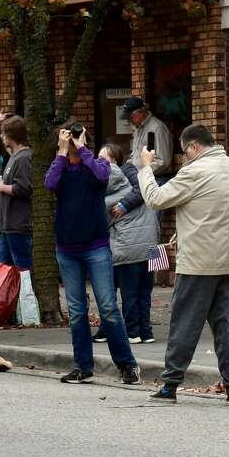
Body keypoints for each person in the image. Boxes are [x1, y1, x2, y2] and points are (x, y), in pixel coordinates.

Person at [140, 124, 229, 404]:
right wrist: (185, 228)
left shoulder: (195, 170)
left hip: (199, 263)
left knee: (185, 324)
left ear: (194, 147)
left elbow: (155, 199)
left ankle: (170, 384)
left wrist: (145, 168)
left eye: (185, 152)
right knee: (226, 326)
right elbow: (214, 210)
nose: (184, 158)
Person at [45, 123, 140, 386]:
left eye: (76, 137)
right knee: (76, 311)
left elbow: (101, 177)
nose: (73, 142)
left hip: (95, 246)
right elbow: (50, 184)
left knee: (108, 307)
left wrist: (84, 148)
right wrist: (62, 153)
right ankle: (82, 366)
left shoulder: (96, 165)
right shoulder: (60, 167)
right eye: (68, 138)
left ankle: (127, 365)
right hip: (67, 249)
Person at [101, 142, 159, 345]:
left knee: (129, 293)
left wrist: (123, 206)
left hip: (128, 248)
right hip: (153, 246)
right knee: (146, 291)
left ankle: (132, 332)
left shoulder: (109, 196)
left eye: (103, 158)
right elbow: (147, 193)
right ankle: (147, 331)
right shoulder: (140, 181)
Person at [0, 114, 32, 270]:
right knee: (4, 270)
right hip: (8, 225)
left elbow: (24, 188)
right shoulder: (14, 156)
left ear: (11, 136)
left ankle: (26, 295)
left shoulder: (23, 159)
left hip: (18, 226)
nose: (2, 137)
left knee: (22, 269)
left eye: (4, 133)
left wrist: (1, 187)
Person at [120, 97, 173, 177]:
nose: (129, 121)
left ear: (140, 112)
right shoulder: (138, 128)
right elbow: (136, 157)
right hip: (141, 177)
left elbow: (163, 161)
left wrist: (142, 174)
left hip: (156, 179)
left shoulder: (156, 129)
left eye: (130, 117)